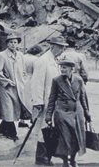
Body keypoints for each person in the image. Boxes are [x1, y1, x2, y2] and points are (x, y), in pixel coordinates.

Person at [45, 59, 91, 167]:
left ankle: (73, 159)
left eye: (64, 67)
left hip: (76, 112)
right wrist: (48, 115)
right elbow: (52, 99)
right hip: (62, 113)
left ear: (72, 69)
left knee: (76, 138)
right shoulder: (56, 80)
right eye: (61, 67)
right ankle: (65, 161)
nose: (62, 69)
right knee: (64, 139)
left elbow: (82, 98)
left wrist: (87, 112)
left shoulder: (79, 80)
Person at [30, 36, 68, 166]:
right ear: (52, 46)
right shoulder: (43, 61)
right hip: (45, 102)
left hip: (56, 102)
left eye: (64, 47)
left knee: (53, 129)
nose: (63, 49)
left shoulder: (57, 60)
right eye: (60, 46)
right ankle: (41, 157)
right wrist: (38, 102)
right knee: (43, 129)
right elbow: (37, 83)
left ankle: (49, 155)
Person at [0, 33, 29, 141]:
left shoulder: (21, 55)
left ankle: (2, 129)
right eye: (11, 42)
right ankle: (11, 133)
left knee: (14, 109)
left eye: (15, 42)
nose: (13, 44)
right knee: (8, 109)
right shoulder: (2, 55)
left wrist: (24, 82)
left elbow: (24, 71)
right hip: (6, 88)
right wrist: (7, 81)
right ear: (7, 44)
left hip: (18, 87)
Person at [20, 44, 43, 128]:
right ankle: (32, 120)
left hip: (22, 79)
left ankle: (21, 120)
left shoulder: (23, 56)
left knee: (23, 99)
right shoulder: (36, 59)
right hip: (31, 80)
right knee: (32, 100)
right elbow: (36, 72)